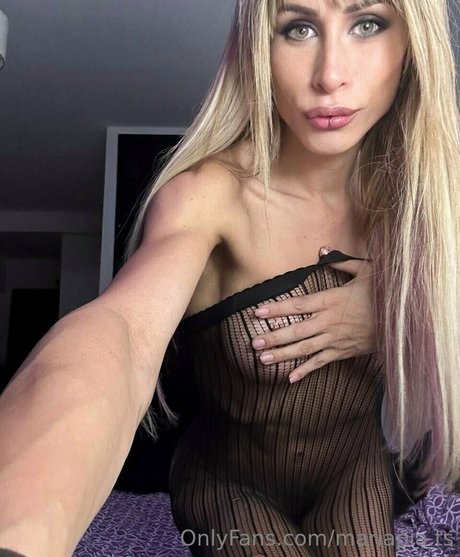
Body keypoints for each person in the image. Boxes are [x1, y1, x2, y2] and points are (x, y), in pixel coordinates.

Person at [0, 0, 459, 555]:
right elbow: (122, 331)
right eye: (298, 28)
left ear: (412, 44)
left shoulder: (425, 201)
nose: (330, 75)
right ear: (258, 49)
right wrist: (22, 525)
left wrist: (398, 314)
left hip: (354, 472)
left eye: (367, 23)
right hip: (230, 486)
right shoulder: (206, 197)